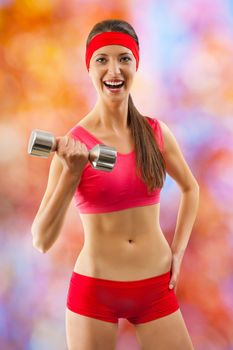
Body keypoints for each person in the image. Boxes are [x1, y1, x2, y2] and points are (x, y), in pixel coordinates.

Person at [31, 19, 199, 350]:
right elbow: (41, 240)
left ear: (136, 65)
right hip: (95, 290)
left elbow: (191, 189)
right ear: (89, 68)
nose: (114, 69)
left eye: (124, 58)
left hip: (155, 288)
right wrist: (71, 173)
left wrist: (178, 252)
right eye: (102, 59)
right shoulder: (72, 145)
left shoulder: (156, 133)